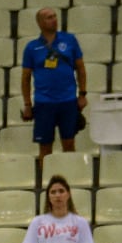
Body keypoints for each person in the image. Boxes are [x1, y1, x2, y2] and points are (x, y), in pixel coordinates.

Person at [22, 8, 88, 162]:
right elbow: (25, 78)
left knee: (69, 144)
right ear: (40, 23)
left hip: (68, 101)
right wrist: (27, 104)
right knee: (45, 149)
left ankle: (71, 180)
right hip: (44, 103)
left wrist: (82, 94)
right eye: (49, 17)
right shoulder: (31, 47)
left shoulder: (70, 40)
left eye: (54, 16)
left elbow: (81, 68)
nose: (54, 19)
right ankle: (46, 182)